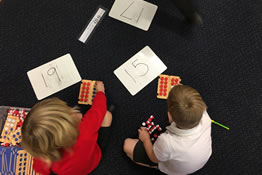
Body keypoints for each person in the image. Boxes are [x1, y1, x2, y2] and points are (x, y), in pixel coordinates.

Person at [21, 81, 113, 175]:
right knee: (107, 115)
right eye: (68, 112)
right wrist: (100, 92)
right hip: (93, 160)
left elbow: (40, 170)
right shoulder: (85, 130)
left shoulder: (43, 156)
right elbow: (98, 110)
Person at [123, 85, 212, 175]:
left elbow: (153, 157)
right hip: (202, 158)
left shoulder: (168, 142)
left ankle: (156, 167)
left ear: (170, 117)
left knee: (127, 145)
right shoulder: (205, 116)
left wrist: (146, 139)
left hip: (178, 170)